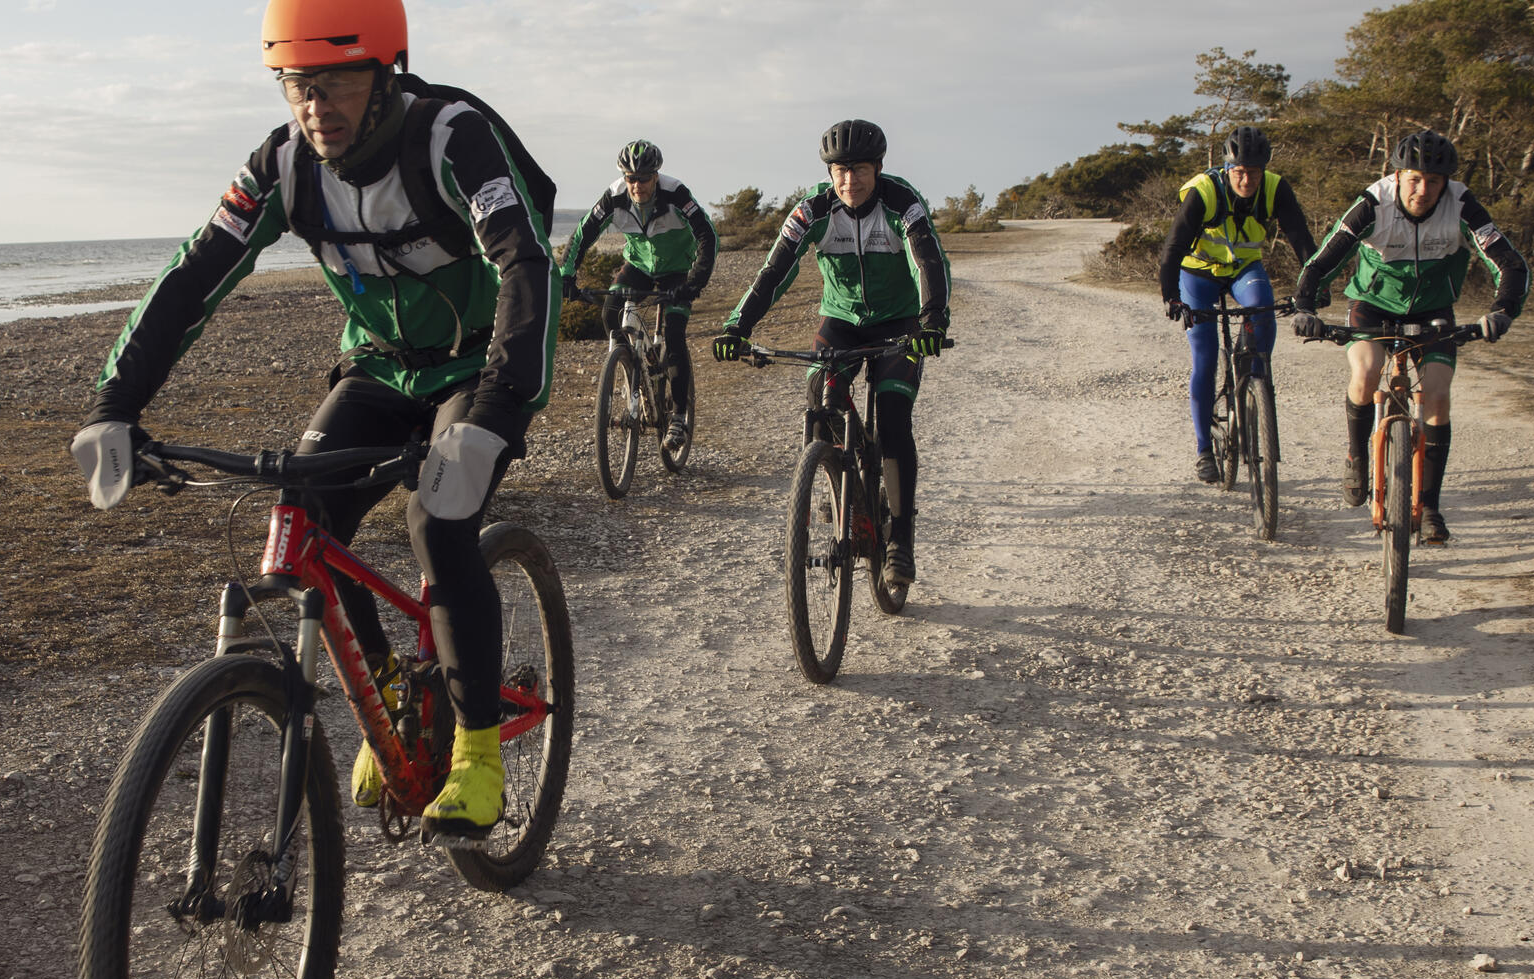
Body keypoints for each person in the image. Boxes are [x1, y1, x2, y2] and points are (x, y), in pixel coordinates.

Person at [68, 0, 558, 842]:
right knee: (298, 531)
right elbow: (195, 277)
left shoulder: (452, 137)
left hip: (477, 365)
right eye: (296, 86)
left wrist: (498, 413)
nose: (313, 107)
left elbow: (525, 263)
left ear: (385, 73)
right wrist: (116, 406)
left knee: (438, 524)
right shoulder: (285, 163)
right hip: (377, 366)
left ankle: (478, 749)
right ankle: (396, 700)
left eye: (332, 83)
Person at [711, 119, 949, 587]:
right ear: (829, 172)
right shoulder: (812, 210)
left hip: (901, 322)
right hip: (840, 321)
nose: (849, 181)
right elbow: (773, 272)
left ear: (878, 168)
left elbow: (928, 260)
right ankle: (836, 480)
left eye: (859, 170)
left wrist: (932, 321)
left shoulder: (902, 202)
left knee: (896, 414)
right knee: (821, 404)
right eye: (840, 170)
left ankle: (900, 539)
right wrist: (737, 326)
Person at [1291, 129, 1526, 543]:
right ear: (1396, 175)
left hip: (1434, 309)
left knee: (1436, 393)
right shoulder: (1372, 204)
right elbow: (1322, 260)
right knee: (1366, 372)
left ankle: (1431, 506)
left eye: (1434, 181)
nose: (1423, 189)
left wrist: (1502, 312)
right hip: (1372, 304)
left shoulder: (1462, 204)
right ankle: (1357, 453)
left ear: (1446, 183)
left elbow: (1510, 264)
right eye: (1414, 178)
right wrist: (1306, 307)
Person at [1160, 126, 1315, 484]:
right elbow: (1173, 248)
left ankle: (1251, 382)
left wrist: (1311, 289)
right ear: (1227, 168)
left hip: (1245, 270)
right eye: (1239, 172)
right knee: (1205, 354)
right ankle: (1203, 450)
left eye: (1254, 173)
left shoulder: (1276, 189)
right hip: (1197, 273)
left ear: (1264, 170)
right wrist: (1171, 297)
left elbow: (1303, 242)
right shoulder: (1204, 192)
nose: (1246, 180)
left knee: (1262, 311)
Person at [559, 140, 717, 454]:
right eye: (630, 178)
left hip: (677, 269)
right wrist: (566, 274)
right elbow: (583, 233)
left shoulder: (676, 194)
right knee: (609, 314)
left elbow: (707, 236)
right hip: (638, 265)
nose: (636, 184)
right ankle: (631, 372)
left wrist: (694, 282)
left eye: (643, 178)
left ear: (656, 176)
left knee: (673, 335)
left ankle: (680, 416)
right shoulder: (615, 196)